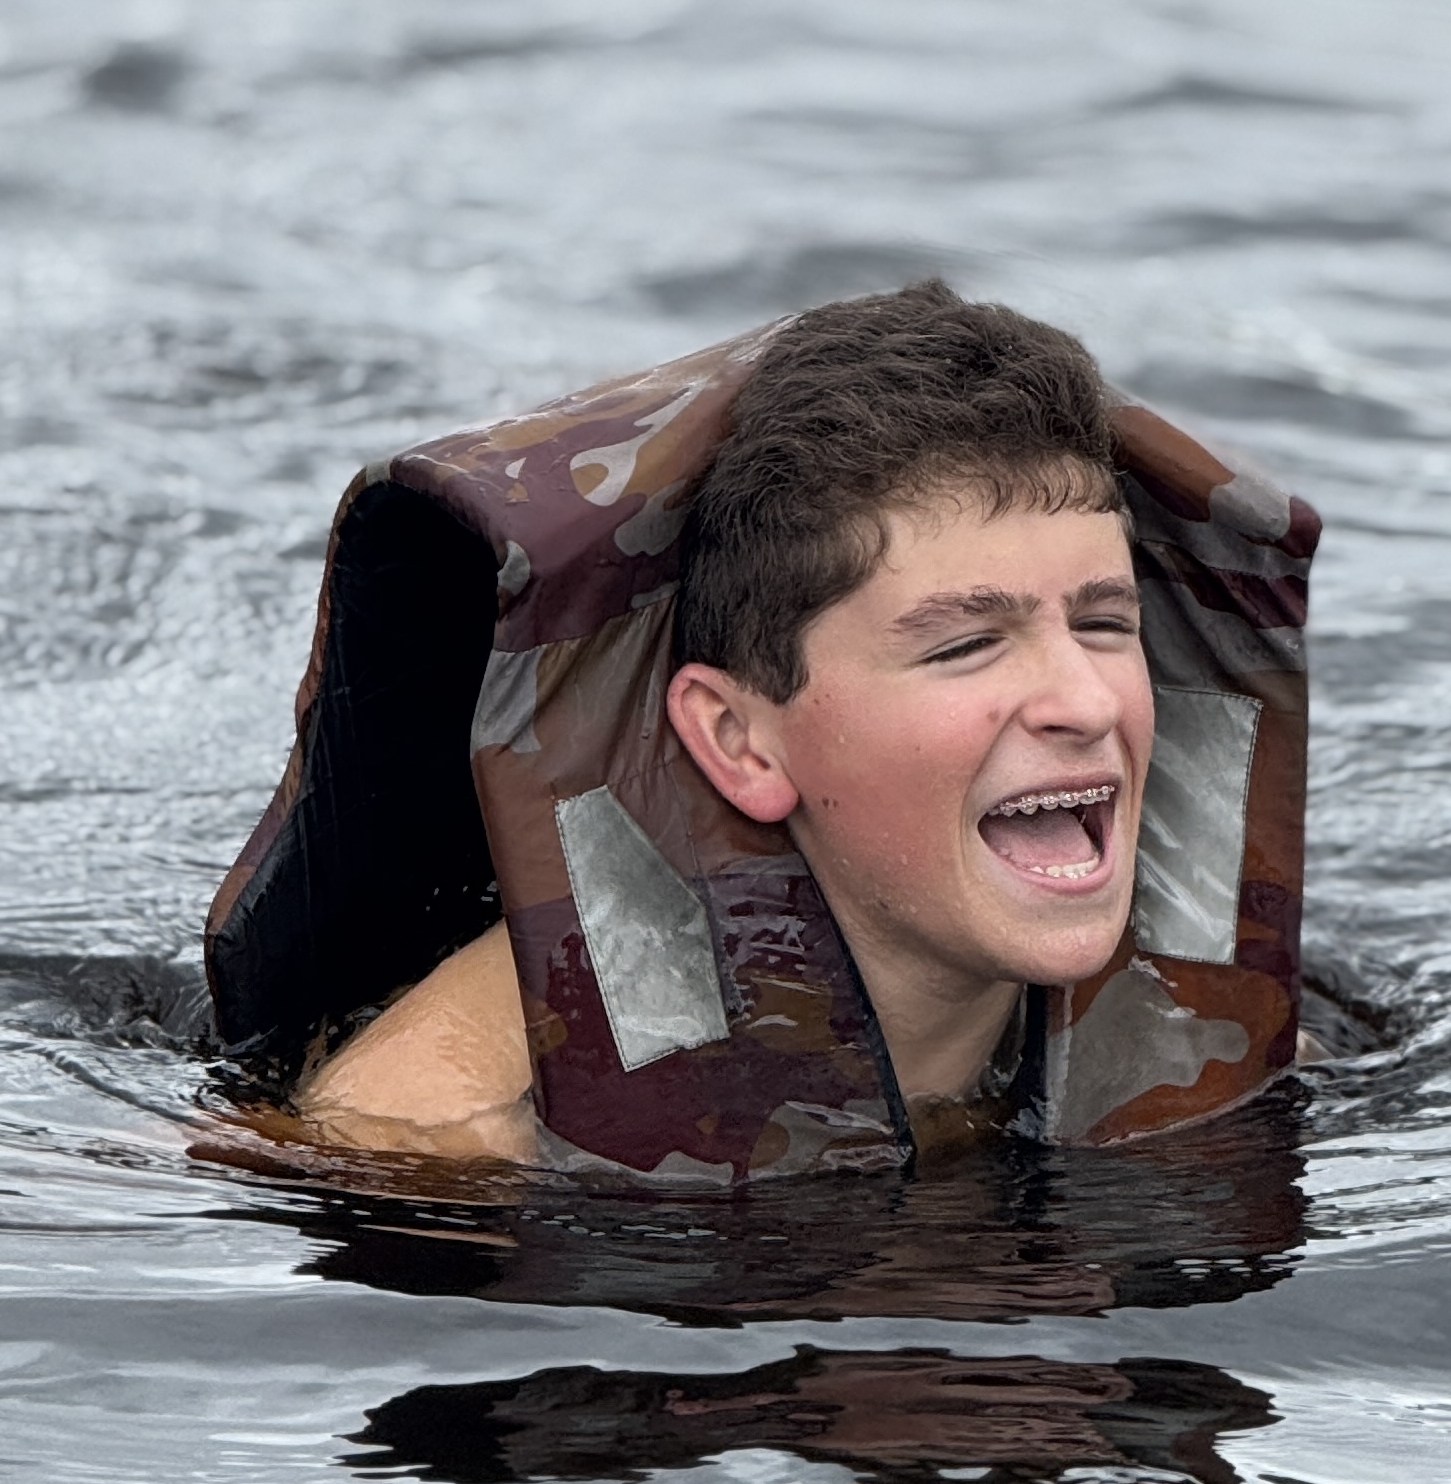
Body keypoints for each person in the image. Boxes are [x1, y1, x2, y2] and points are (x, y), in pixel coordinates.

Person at [217, 283, 1314, 1184]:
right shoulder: (430, 1138)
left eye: (1104, 623)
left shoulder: (1245, 1041)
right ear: (741, 740)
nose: (1085, 701)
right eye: (966, 645)